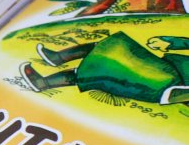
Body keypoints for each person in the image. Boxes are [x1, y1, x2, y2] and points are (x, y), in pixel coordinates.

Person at [20, 32, 189, 106]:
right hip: (172, 67)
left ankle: (44, 82)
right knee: (116, 45)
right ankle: (58, 57)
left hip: (171, 84)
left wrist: (177, 94)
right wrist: (169, 42)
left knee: (107, 68)